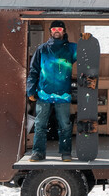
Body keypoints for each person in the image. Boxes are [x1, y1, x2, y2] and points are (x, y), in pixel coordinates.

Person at [26, 20, 77, 162]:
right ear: (50, 31)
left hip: (63, 95)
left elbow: (86, 54)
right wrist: (31, 90)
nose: (56, 31)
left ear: (64, 31)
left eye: (59, 29)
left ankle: (66, 153)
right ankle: (38, 152)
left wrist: (87, 41)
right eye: (54, 28)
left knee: (65, 126)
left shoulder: (71, 49)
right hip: (44, 94)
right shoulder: (42, 49)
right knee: (40, 125)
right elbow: (34, 71)